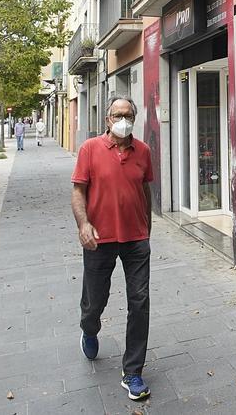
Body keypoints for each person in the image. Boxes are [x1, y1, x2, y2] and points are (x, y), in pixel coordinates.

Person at [71, 95, 153, 402]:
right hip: (99, 240)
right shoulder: (90, 149)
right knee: (95, 300)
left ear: (134, 118)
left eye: (128, 115)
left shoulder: (143, 151)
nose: (123, 120)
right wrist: (83, 224)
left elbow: (145, 188)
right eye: (117, 115)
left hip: (135, 240)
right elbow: (78, 191)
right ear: (107, 119)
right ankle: (89, 329)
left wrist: (147, 229)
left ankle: (132, 371)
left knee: (140, 302)